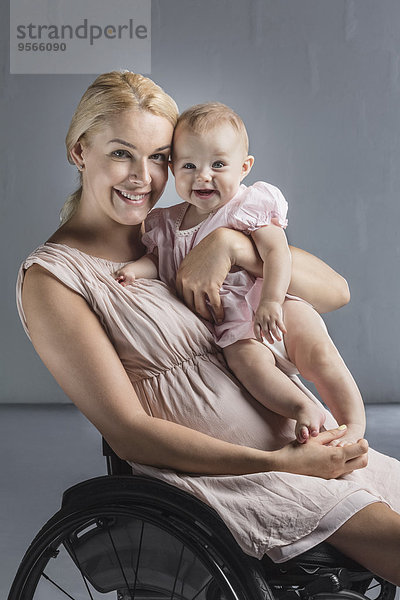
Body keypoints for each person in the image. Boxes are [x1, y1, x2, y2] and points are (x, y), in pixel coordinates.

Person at [16, 71, 400, 585]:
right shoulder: (53, 278)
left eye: (157, 158)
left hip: (306, 443)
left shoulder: (183, 229)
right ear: (79, 151)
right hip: (232, 478)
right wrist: (284, 464)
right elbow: (130, 434)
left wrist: (229, 247)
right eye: (121, 153)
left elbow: (335, 291)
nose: (142, 178)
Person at [114, 102, 364, 445]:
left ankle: (354, 424)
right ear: (173, 170)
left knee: (321, 357)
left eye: (218, 164)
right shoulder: (167, 223)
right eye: (190, 165)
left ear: (244, 167)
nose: (204, 175)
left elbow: (277, 253)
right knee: (250, 367)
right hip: (235, 327)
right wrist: (134, 271)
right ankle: (303, 407)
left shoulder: (246, 207)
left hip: (275, 308)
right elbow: (160, 261)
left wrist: (273, 301)